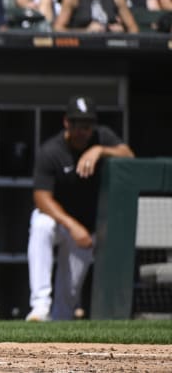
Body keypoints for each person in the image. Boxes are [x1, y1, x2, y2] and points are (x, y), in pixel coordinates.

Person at [26, 96, 134, 321]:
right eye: (76, 124)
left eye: (86, 125)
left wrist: (100, 151)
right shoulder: (51, 151)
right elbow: (41, 198)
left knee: (67, 304)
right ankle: (39, 306)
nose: (81, 130)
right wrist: (73, 226)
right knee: (40, 223)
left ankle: (57, 327)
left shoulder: (101, 137)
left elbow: (129, 155)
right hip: (63, 222)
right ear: (66, 123)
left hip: (86, 230)